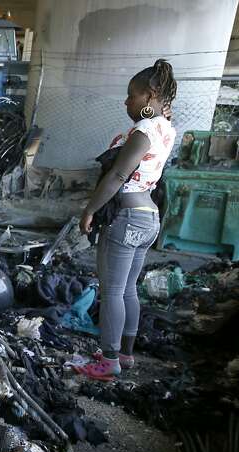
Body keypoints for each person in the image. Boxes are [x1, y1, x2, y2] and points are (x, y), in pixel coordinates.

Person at [75, 59, 178, 380]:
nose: (126, 102)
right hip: (149, 218)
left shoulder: (145, 129)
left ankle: (108, 360)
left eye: (131, 96)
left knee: (112, 291)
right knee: (128, 288)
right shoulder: (167, 128)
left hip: (128, 218)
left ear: (149, 96)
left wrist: (90, 209)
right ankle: (125, 353)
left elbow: (119, 174)